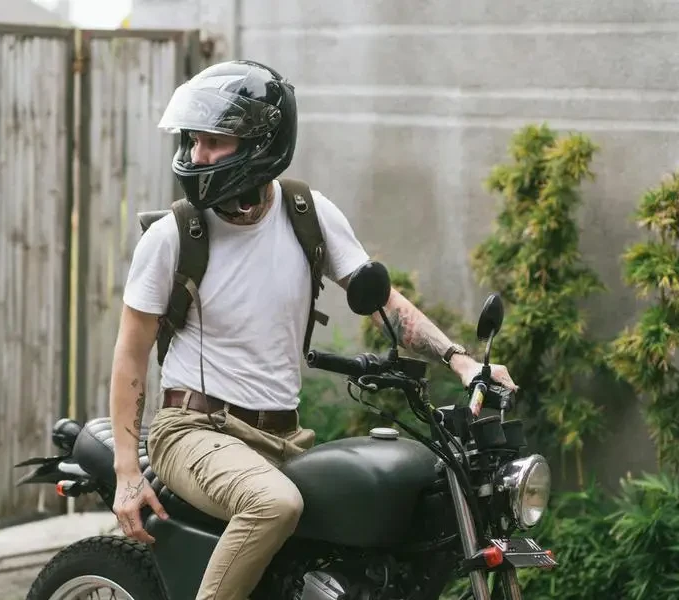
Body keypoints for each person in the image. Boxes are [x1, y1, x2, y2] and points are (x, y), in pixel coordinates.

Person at [107, 59, 517, 600]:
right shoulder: (174, 235)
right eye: (193, 140)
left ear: (262, 143)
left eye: (214, 141)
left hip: (283, 437)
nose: (197, 155)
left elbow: (386, 304)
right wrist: (126, 473)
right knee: (273, 504)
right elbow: (131, 356)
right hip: (193, 430)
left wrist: (462, 361)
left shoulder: (307, 214)